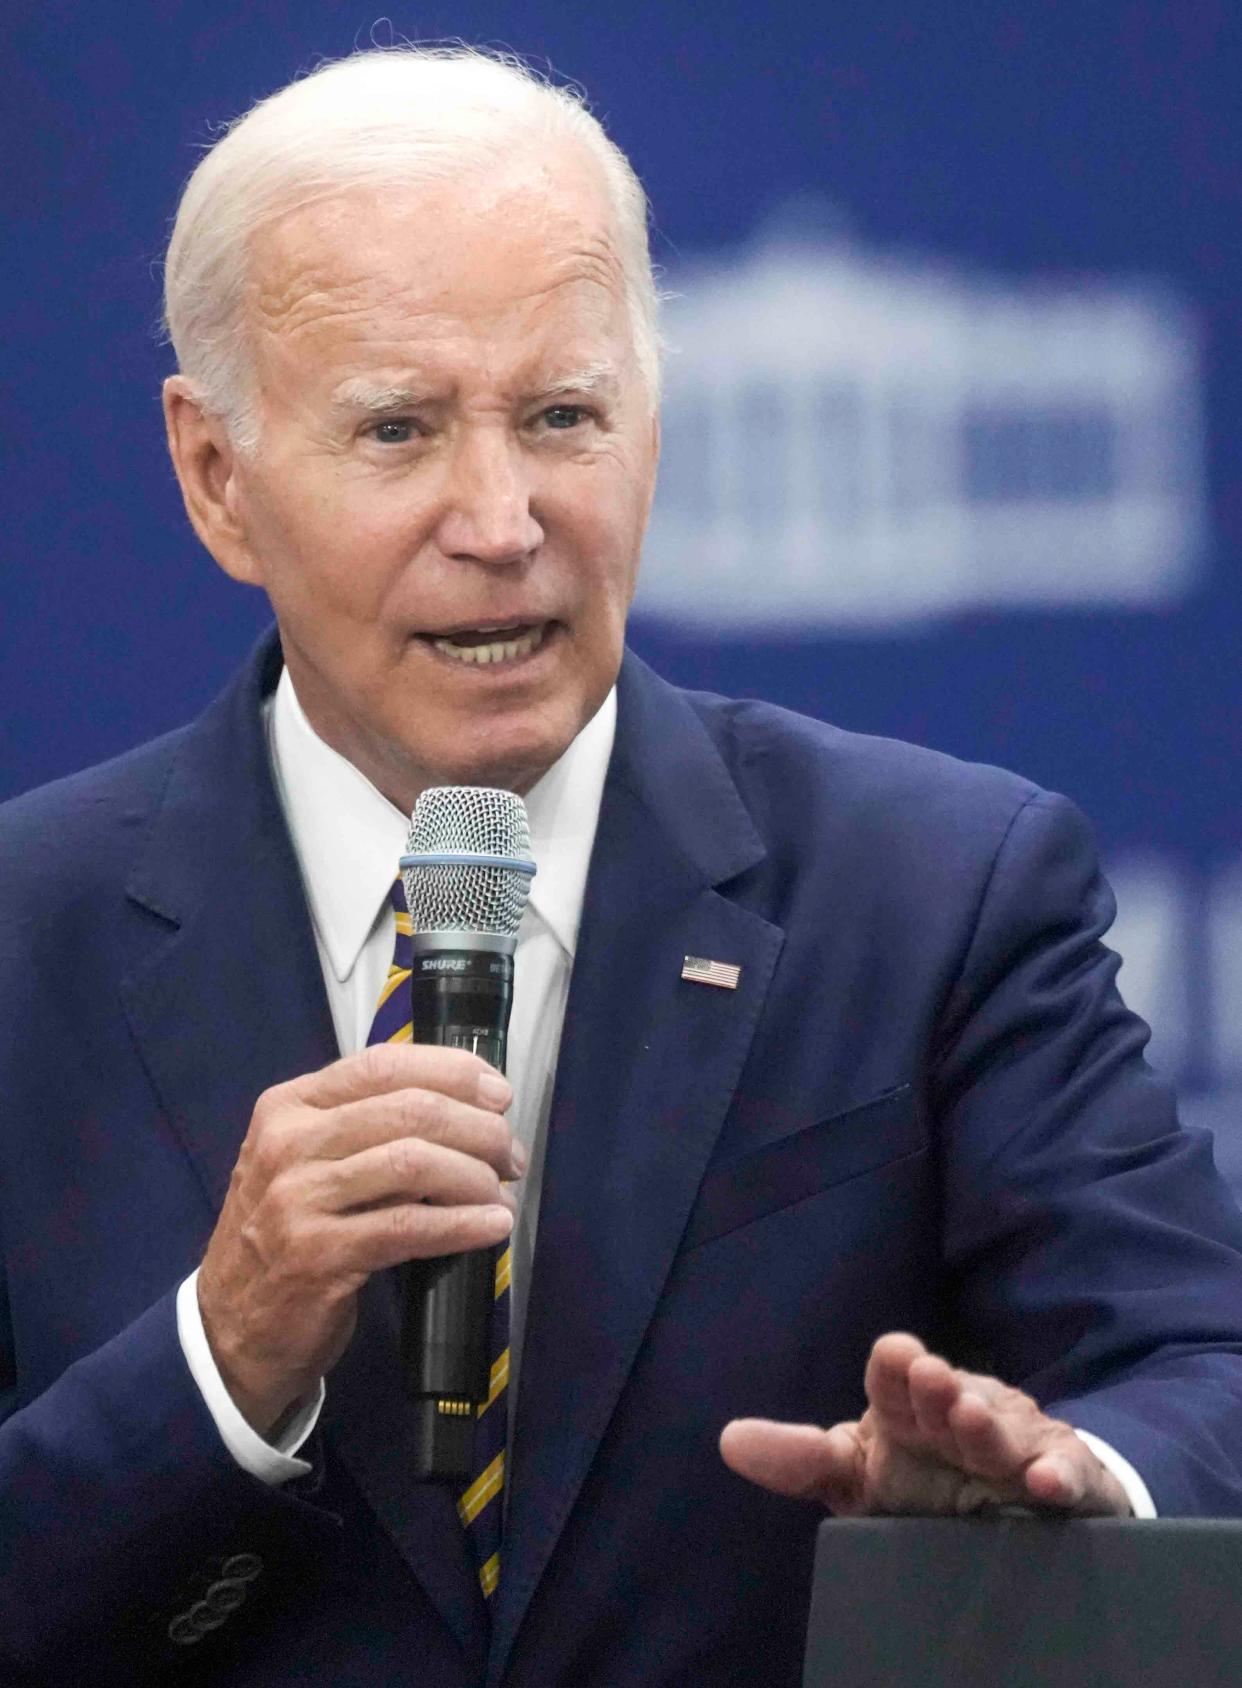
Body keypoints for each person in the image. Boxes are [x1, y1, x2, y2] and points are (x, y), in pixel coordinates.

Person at [3, 45, 1242, 1688]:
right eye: (397, 430)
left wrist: (1073, 1489)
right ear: (216, 476)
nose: (503, 516)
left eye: (562, 415)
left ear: (652, 429)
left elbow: (1195, 1364)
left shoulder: (935, 888)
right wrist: (215, 1361)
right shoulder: (27, 936)